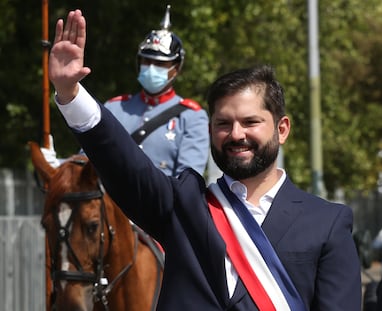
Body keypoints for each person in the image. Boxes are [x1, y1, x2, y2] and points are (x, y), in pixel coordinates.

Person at [48, 9, 362, 310]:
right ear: (211, 130)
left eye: (250, 122)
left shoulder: (328, 223)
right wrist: (70, 92)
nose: (236, 134)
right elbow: (122, 160)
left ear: (282, 129)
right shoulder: (182, 206)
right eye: (223, 124)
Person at [42, 5, 210, 177]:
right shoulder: (115, 107)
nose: (151, 68)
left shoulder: (192, 117)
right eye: (146, 61)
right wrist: (60, 165)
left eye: (160, 64)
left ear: (176, 69)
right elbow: (88, 162)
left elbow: (187, 185)